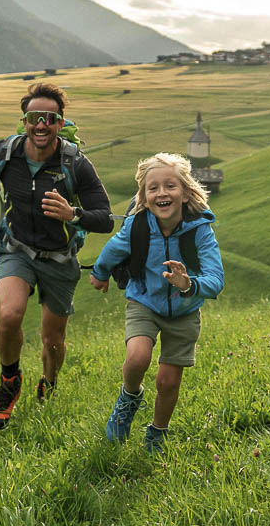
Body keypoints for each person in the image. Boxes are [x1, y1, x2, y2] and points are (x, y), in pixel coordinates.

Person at [0, 83, 112, 429]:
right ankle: (9, 382)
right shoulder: (5, 154)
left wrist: (74, 215)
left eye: (49, 118)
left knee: (53, 341)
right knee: (10, 315)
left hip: (60, 259)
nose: (41, 125)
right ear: (24, 120)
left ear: (59, 122)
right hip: (16, 250)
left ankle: (49, 383)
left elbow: (106, 218)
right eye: (34, 117)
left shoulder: (75, 164)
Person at [89, 153, 224, 454]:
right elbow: (114, 248)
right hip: (144, 302)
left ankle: (157, 433)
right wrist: (100, 274)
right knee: (137, 357)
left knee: (167, 382)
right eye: (153, 188)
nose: (162, 193)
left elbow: (216, 278)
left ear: (186, 191)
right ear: (144, 197)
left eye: (170, 186)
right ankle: (128, 398)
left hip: (185, 311)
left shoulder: (200, 229)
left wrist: (189, 284)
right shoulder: (138, 226)